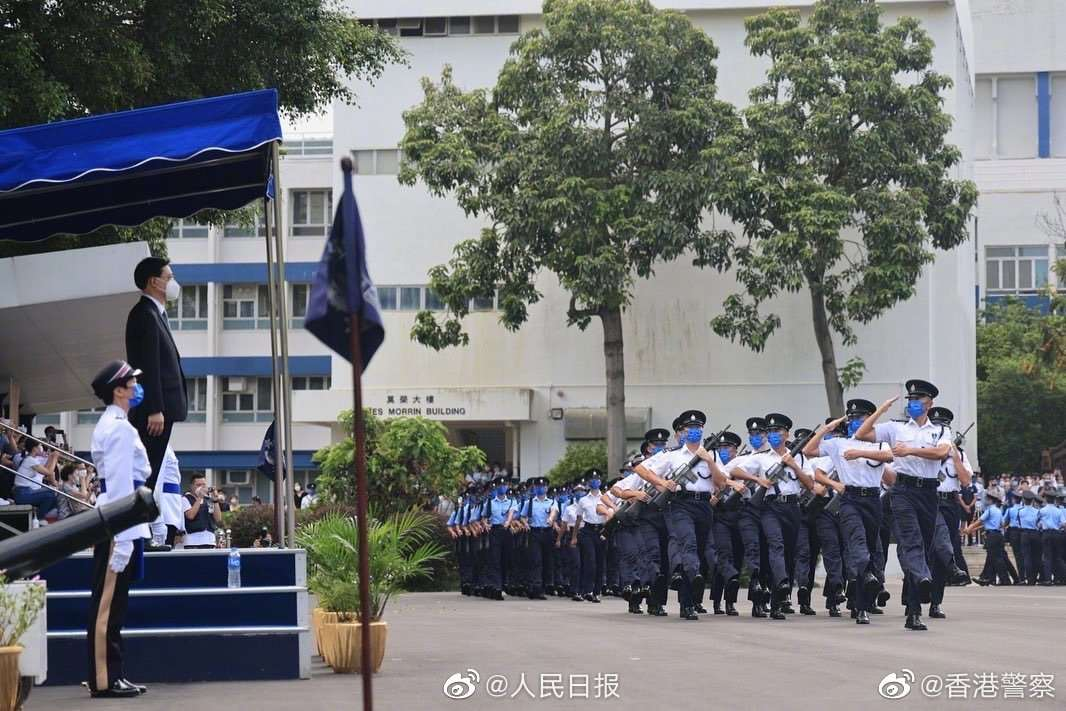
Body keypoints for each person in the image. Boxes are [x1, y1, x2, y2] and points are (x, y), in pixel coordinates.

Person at [855, 380, 952, 632]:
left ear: (929, 403)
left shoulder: (940, 431)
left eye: (917, 400)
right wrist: (880, 410)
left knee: (924, 548)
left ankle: (913, 611)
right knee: (911, 542)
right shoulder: (895, 428)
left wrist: (911, 450)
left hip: (929, 492)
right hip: (903, 490)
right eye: (909, 400)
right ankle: (922, 579)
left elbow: (941, 453)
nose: (912, 404)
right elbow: (862, 434)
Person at [86, 359, 150, 698]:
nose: (138, 387)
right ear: (118, 390)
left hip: (121, 520)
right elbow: (123, 485)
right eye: (132, 382)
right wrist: (124, 538)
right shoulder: (118, 428)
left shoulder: (118, 423)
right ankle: (104, 677)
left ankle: (112, 673)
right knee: (108, 605)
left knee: (114, 605)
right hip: (118, 522)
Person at [635, 411, 727, 620]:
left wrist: (709, 461)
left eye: (698, 428)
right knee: (688, 545)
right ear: (683, 431)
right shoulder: (673, 455)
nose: (694, 432)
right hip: (680, 505)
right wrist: (661, 483)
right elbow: (641, 469)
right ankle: (691, 583)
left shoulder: (711, 455)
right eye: (690, 428)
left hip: (703, 506)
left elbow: (721, 483)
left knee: (699, 551)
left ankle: (689, 601)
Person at [729, 413, 812, 621]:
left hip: (792, 507)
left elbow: (810, 484)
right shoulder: (762, 457)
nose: (774, 435)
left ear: (786, 434)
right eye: (771, 432)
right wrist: (757, 479)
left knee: (788, 553)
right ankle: (783, 581)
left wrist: (793, 465)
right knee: (775, 545)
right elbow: (735, 470)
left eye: (778, 431)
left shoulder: (799, 457)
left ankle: (777, 602)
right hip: (769, 507)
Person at [125, 256, 188, 491]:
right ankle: (134, 522)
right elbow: (147, 366)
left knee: (151, 470)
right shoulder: (144, 314)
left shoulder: (155, 313)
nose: (173, 282)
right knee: (146, 473)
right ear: (154, 282)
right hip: (155, 413)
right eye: (169, 277)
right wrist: (154, 408)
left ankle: (140, 521)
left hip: (163, 408)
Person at [964, 487, 1016, 586]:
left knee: (996, 559)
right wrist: (976, 529)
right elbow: (999, 524)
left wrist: (969, 528)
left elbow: (980, 520)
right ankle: (986, 578)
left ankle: (1004, 580)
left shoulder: (990, 510)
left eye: (987, 499)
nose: (986, 500)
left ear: (991, 500)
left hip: (992, 536)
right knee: (991, 557)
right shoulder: (998, 511)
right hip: (998, 535)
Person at [572, 469, 610, 603]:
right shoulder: (583, 500)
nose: (595, 481)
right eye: (592, 479)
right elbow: (578, 520)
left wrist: (606, 532)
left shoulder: (606, 497)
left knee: (600, 563)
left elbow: (609, 516)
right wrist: (574, 537)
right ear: (588, 483)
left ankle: (596, 592)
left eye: (598, 478)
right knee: (590, 562)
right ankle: (587, 590)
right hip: (587, 532)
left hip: (601, 532)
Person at [524, 476, 557, 600]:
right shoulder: (530, 502)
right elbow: (522, 516)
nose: (540, 488)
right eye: (538, 486)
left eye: (543, 486)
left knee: (547, 561)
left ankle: (542, 586)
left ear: (547, 488)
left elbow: (554, 511)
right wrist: (525, 522)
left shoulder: (552, 501)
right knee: (536, 560)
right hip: (535, 533)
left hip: (547, 533)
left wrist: (550, 519)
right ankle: (535, 588)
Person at [12, 439, 60, 522]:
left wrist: (51, 457)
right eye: (39, 446)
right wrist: (55, 458)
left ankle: (42, 515)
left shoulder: (31, 459)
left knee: (53, 492)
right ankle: (39, 518)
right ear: (34, 448)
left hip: (25, 491)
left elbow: (45, 470)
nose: (41, 448)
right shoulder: (30, 460)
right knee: (50, 495)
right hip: (22, 493)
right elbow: (49, 472)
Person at [149, 446, 184, 550]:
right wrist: (157, 519)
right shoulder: (160, 445)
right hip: (164, 509)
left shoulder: (167, 446)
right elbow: (156, 482)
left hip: (170, 506)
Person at [182, 473, 223, 549]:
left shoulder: (208, 499)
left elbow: (218, 519)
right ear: (191, 486)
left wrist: (215, 500)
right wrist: (199, 498)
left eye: (203, 485)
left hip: (210, 540)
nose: (201, 487)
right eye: (198, 485)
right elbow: (190, 516)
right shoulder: (185, 499)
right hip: (192, 541)